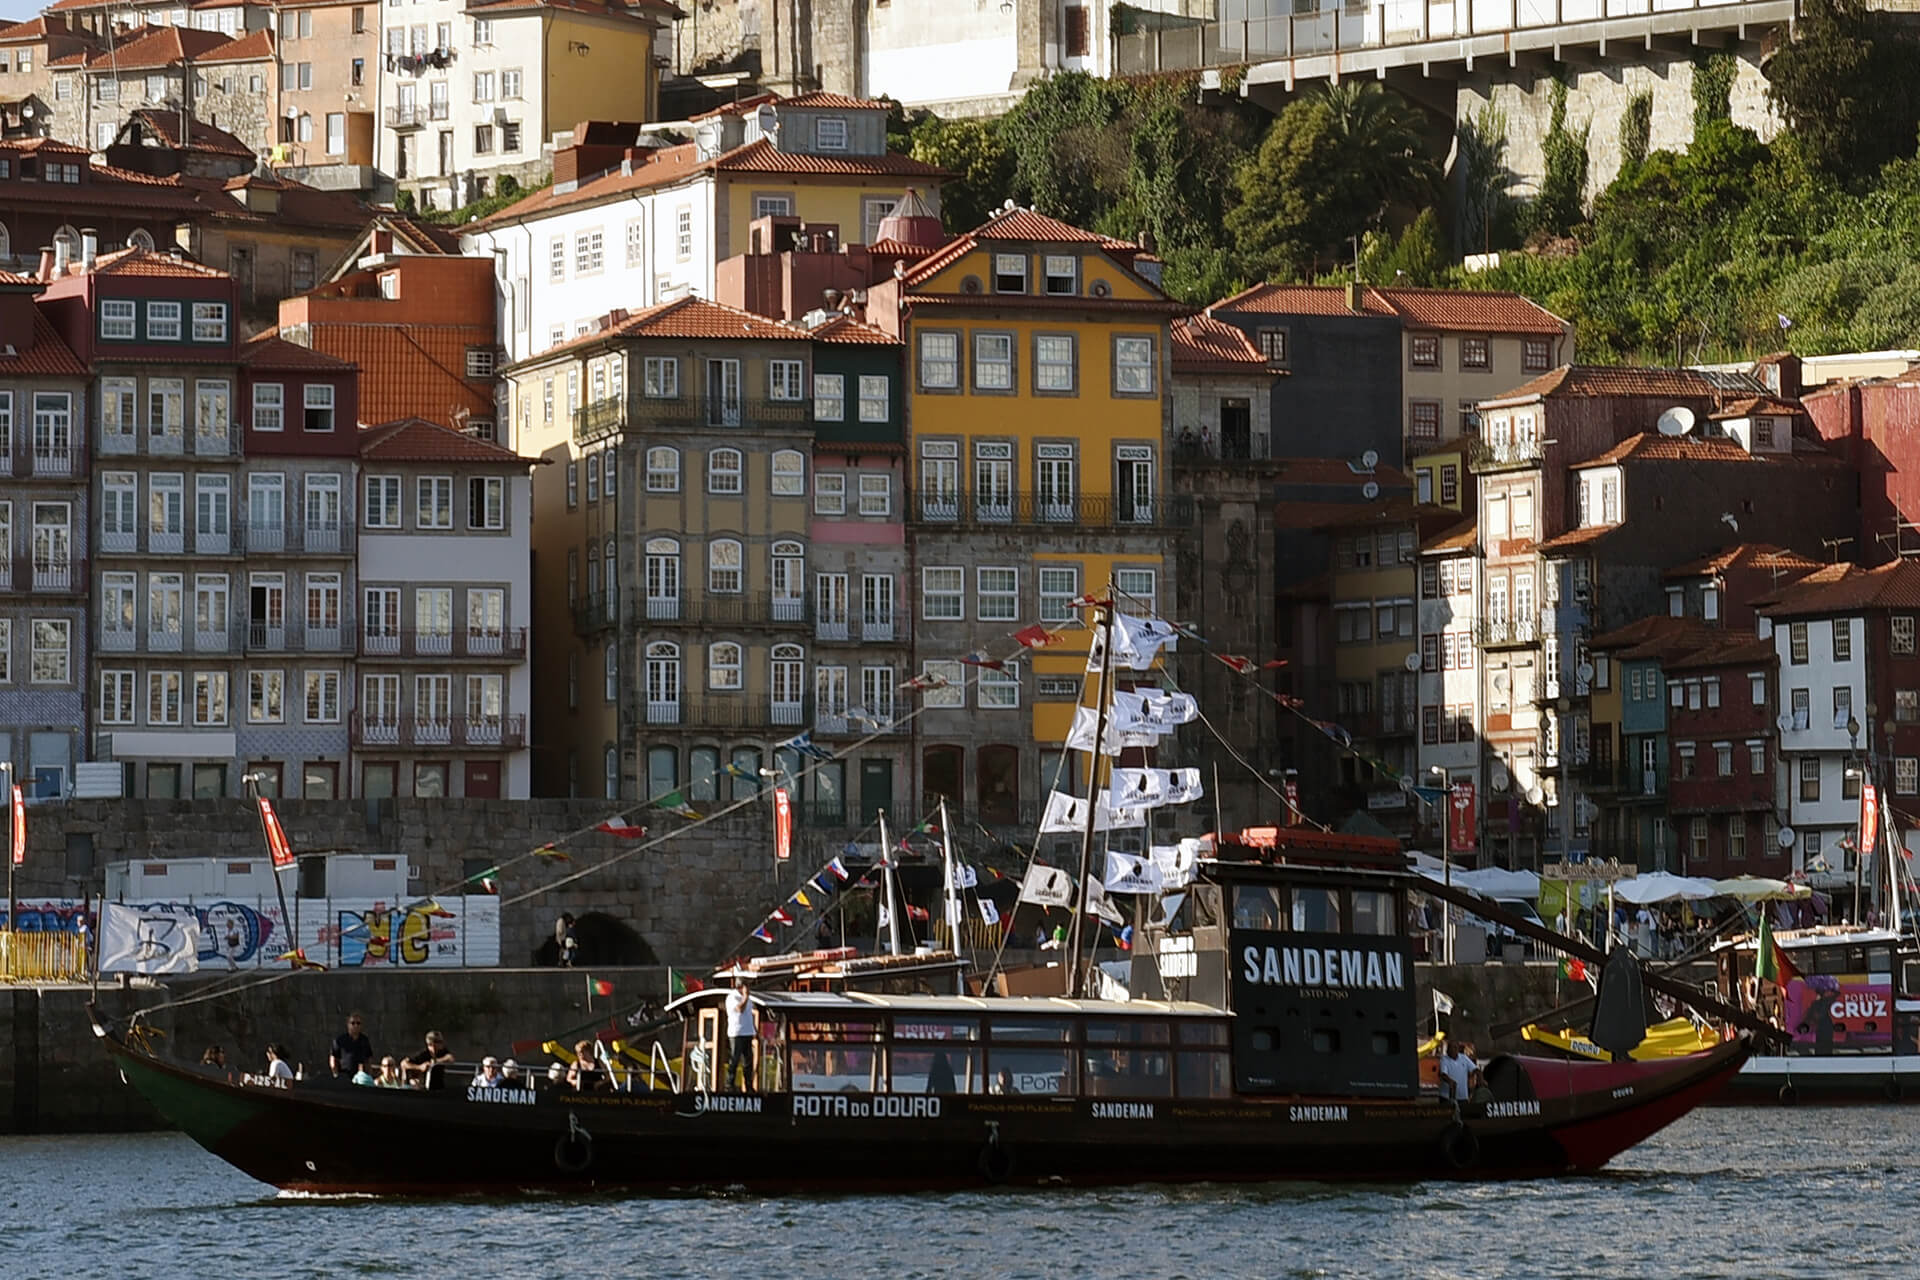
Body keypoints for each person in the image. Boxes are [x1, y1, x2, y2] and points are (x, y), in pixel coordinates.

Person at [725, 978, 756, 1093]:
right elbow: (740, 1009)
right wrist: (745, 997)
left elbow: (749, 1013)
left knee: (748, 1061)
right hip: (737, 1033)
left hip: (747, 1032)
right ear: (740, 986)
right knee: (735, 1059)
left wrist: (754, 1029)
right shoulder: (732, 997)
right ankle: (729, 1085)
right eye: (746, 986)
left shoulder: (749, 999)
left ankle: (749, 1086)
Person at [329, 1013, 373, 1079]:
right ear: (348, 1025)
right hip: (344, 1076)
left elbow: (368, 1059)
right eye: (353, 1023)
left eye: (358, 1023)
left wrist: (369, 1075)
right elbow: (333, 1058)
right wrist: (335, 1074)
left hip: (360, 1077)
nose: (355, 1025)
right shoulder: (340, 1040)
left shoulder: (364, 1040)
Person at [1438, 1038, 1476, 1106]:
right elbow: (1443, 1074)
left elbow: (1475, 1069)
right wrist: (1450, 1082)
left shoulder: (1464, 1058)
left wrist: (1480, 1079)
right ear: (1447, 1050)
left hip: (1463, 1097)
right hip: (1446, 1097)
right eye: (1450, 1048)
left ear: (1458, 1049)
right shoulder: (1444, 1059)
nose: (1452, 1049)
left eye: (1454, 1047)